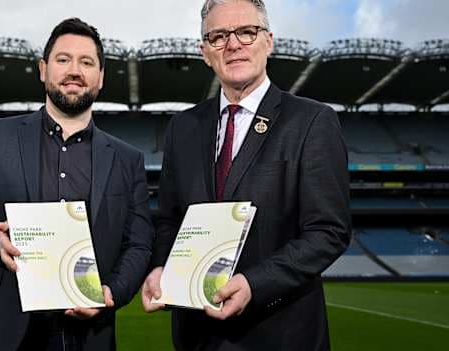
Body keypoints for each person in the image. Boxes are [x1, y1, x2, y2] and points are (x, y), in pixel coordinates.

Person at [0, 18, 153, 351]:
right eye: (63, 59)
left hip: (88, 333)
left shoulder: (128, 159)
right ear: (43, 69)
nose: (74, 70)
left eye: (87, 62)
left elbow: (138, 245)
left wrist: (112, 293)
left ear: (101, 77)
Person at [141, 0, 351, 350]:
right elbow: (168, 220)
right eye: (219, 36)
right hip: (197, 336)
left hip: (279, 333)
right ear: (205, 51)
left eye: (246, 32)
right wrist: (162, 266)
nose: (233, 44)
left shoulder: (312, 122)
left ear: (268, 40)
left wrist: (255, 284)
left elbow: (329, 231)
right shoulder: (183, 127)